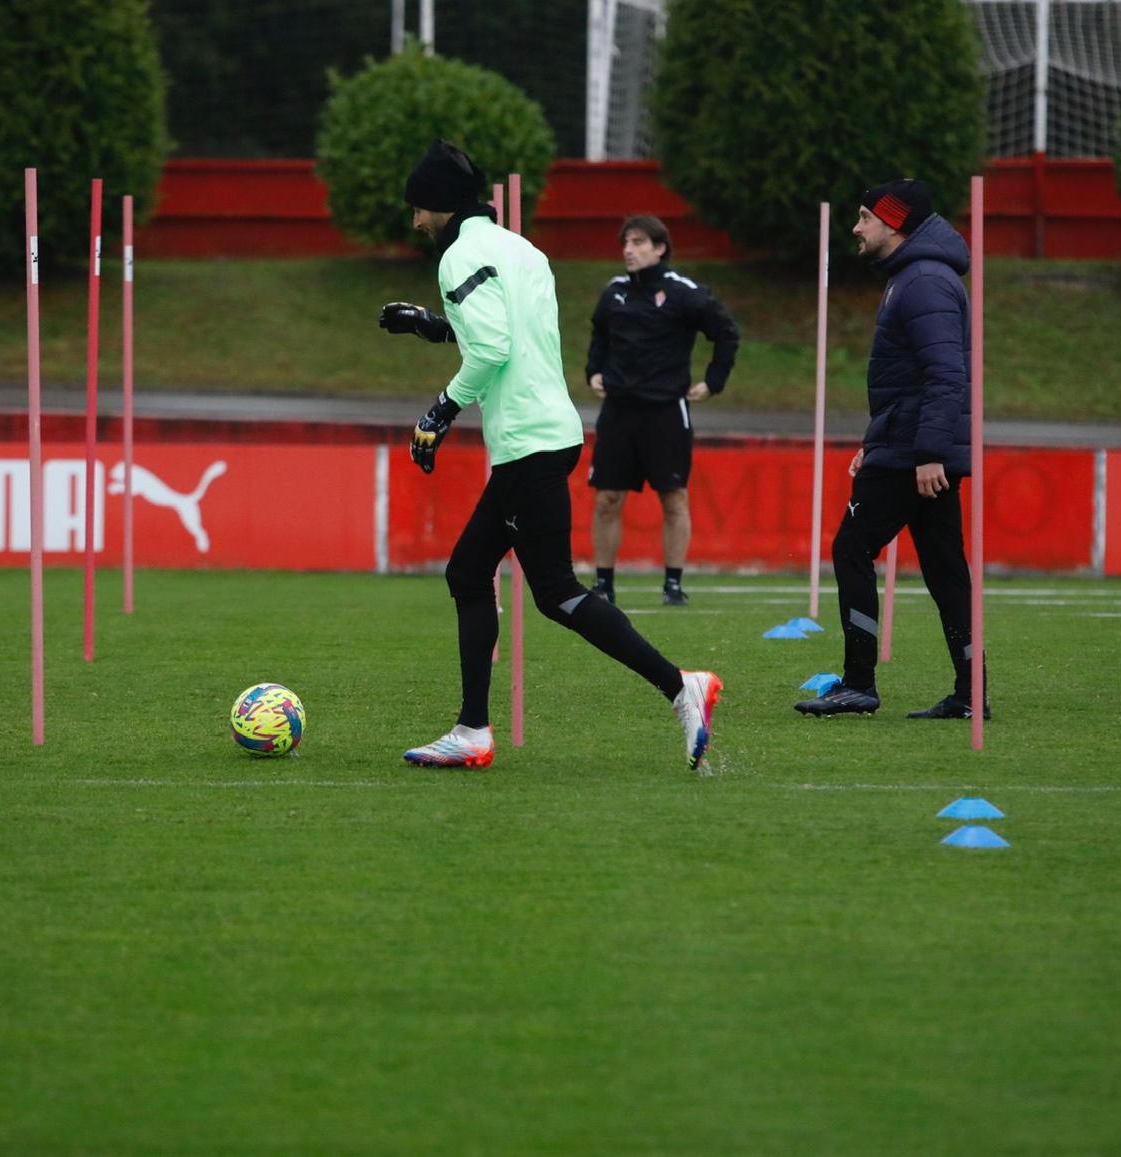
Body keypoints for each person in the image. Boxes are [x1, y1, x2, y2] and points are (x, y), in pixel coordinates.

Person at [377, 140, 722, 770]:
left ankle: (680, 687)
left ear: (437, 206)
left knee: (550, 589)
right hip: (552, 432)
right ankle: (475, 729)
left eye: (417, 210)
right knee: (482, 575)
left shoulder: (458, 256)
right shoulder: (523, 250)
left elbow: (492, 351)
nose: (416, 223)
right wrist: (432, 324)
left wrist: (439, 413)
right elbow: (506, 332)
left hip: (527, 441)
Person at [793, 178, 991, 721]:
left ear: (895, 223)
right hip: (906, 443)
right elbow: (908, 381)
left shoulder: (923, 281)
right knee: (946, 570)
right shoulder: (914, 276)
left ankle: (858, 683)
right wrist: (873, 441)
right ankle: (971, 691)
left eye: (864, 217)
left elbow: (946, 375)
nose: (856, 228)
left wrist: (927, 452)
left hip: (914, 453)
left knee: (851, 549)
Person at [584, 214, 740, 608]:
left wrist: (713, 380)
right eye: (625, 243)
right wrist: (594, 372)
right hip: (618, 410)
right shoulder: (614, 292)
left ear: (659, 248)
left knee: (673, 498)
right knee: (607, 499)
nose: (628, 250)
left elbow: (726, 332)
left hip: (666, 411)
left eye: (638, 243)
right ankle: (603, 584)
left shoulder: (683, 292)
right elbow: (599, 335)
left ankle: (673, 584)